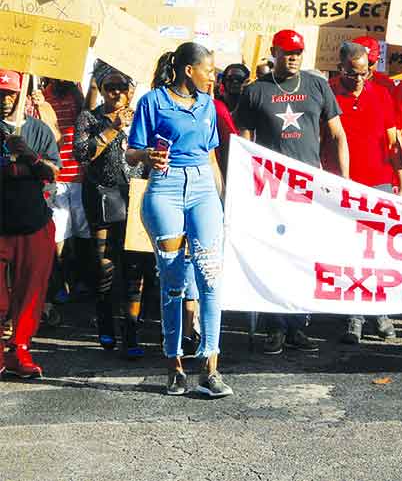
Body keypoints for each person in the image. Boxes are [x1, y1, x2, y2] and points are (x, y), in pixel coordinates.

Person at [126, 42, 232, 398]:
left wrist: (220, 201)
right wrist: (147, 155)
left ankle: (211, 367)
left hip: (203, 187)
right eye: (209, 70)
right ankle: (174, 364)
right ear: (190, 70)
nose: (213, 75)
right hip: (165, 189)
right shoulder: (152, 102)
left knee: (210, 276)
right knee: (173, 281)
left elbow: (213, 157)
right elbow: (130, 153)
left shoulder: (208, 105)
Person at [234, 29, 349, 355]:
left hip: (309, 189)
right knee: (272, 257)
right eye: (287, 52)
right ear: (274, 52)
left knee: (303, 257)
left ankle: (298, 325)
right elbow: (244, 143)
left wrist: (344, 180)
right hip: (270, 191)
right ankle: (275, 327)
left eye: (298, 51)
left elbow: (338, 134)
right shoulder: (256, 91)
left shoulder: (317, 85)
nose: (294, 57)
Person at [322, 41, 402, 344]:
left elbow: (392, 141)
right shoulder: (327, 91)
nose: (359, 80)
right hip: (342, 182)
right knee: (349, 252)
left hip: (379, 181)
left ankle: (379, 312)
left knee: (377, 253)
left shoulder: (382, 95)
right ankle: (354, 317)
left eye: (365, 73)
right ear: (340, 66)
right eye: (352, 73)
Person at [74, 63, 146, 358]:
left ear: (131, 91)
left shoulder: (142, 117)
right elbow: (82, 153)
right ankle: (105, 324)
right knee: (104, 267)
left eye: (121, 87)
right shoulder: (89, 117)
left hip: (136, 197)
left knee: (134, 270)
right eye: (109, 87)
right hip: (102, 198)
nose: (115, 92)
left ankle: (131, 332)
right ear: (101, 90)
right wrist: (111, 128)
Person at [0, 69, 61, 378]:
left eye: (10, 93)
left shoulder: (38, 130)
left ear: (20, 92)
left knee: (31, 291)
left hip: (33, 219)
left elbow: (53, 172)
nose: (4, 99)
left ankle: (19, 349)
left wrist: (29, 157)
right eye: (0, 93)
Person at [38, 79, 91, 303]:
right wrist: (40, 104)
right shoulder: (42, 95)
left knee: (82, 231)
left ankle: (81, 280)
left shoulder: (75, 90)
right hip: (56, 174)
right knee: (57, 234)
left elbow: (85, 116)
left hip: (79, 174)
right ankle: (58, 283)